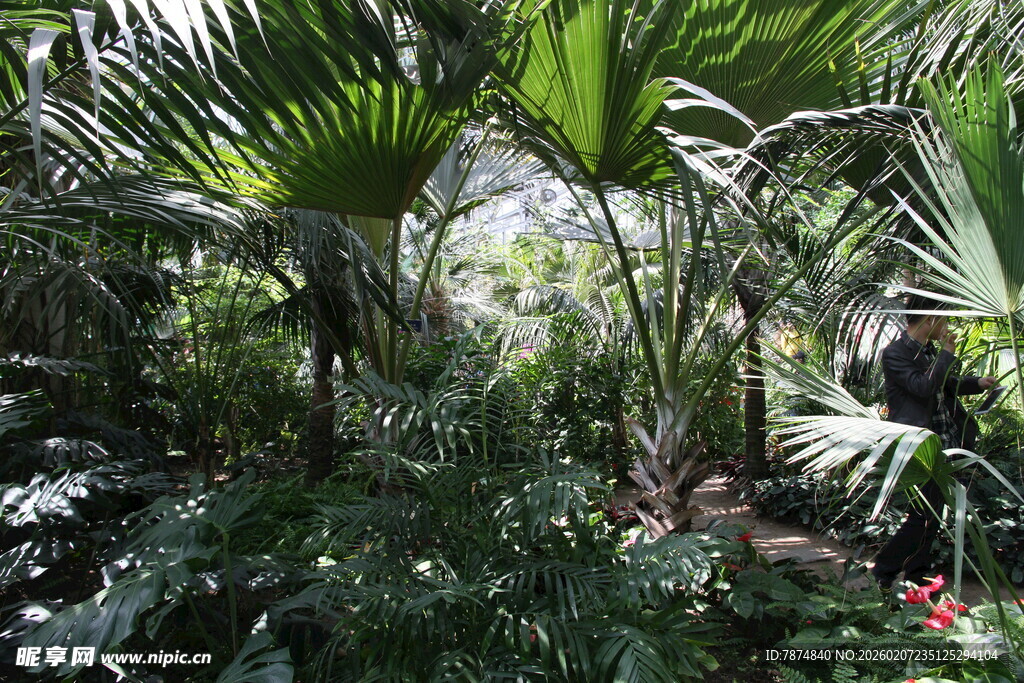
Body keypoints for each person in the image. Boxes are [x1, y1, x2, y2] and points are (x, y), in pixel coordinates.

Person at [870, 294, 998, 589]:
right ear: (930, 319)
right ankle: (884, 570)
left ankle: (917, 575)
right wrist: (947, 352)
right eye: (945, 319)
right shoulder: (895, 353)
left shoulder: (927, 350)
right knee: (921, 514)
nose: (947, 325)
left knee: (932, 514)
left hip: (944, 440)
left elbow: (945, 383)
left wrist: (977, 383)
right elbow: (924, 386)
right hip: (920, 446)